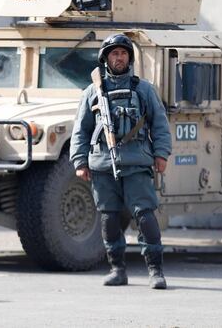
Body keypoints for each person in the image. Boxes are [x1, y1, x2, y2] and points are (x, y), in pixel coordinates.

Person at [70, 33, 172, 289]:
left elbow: (159, 123)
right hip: (103, 163)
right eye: (114, 53)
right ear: (106, 58)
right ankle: (117, 269)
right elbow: (81, 129)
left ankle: (155, 270)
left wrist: (161, 154)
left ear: (130, 58)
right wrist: (80, 162)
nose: (119, 57)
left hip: (137, 162)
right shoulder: (93, 91)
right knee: (108, 217)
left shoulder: (143, 89)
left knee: (145, 215)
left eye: (123, 53)